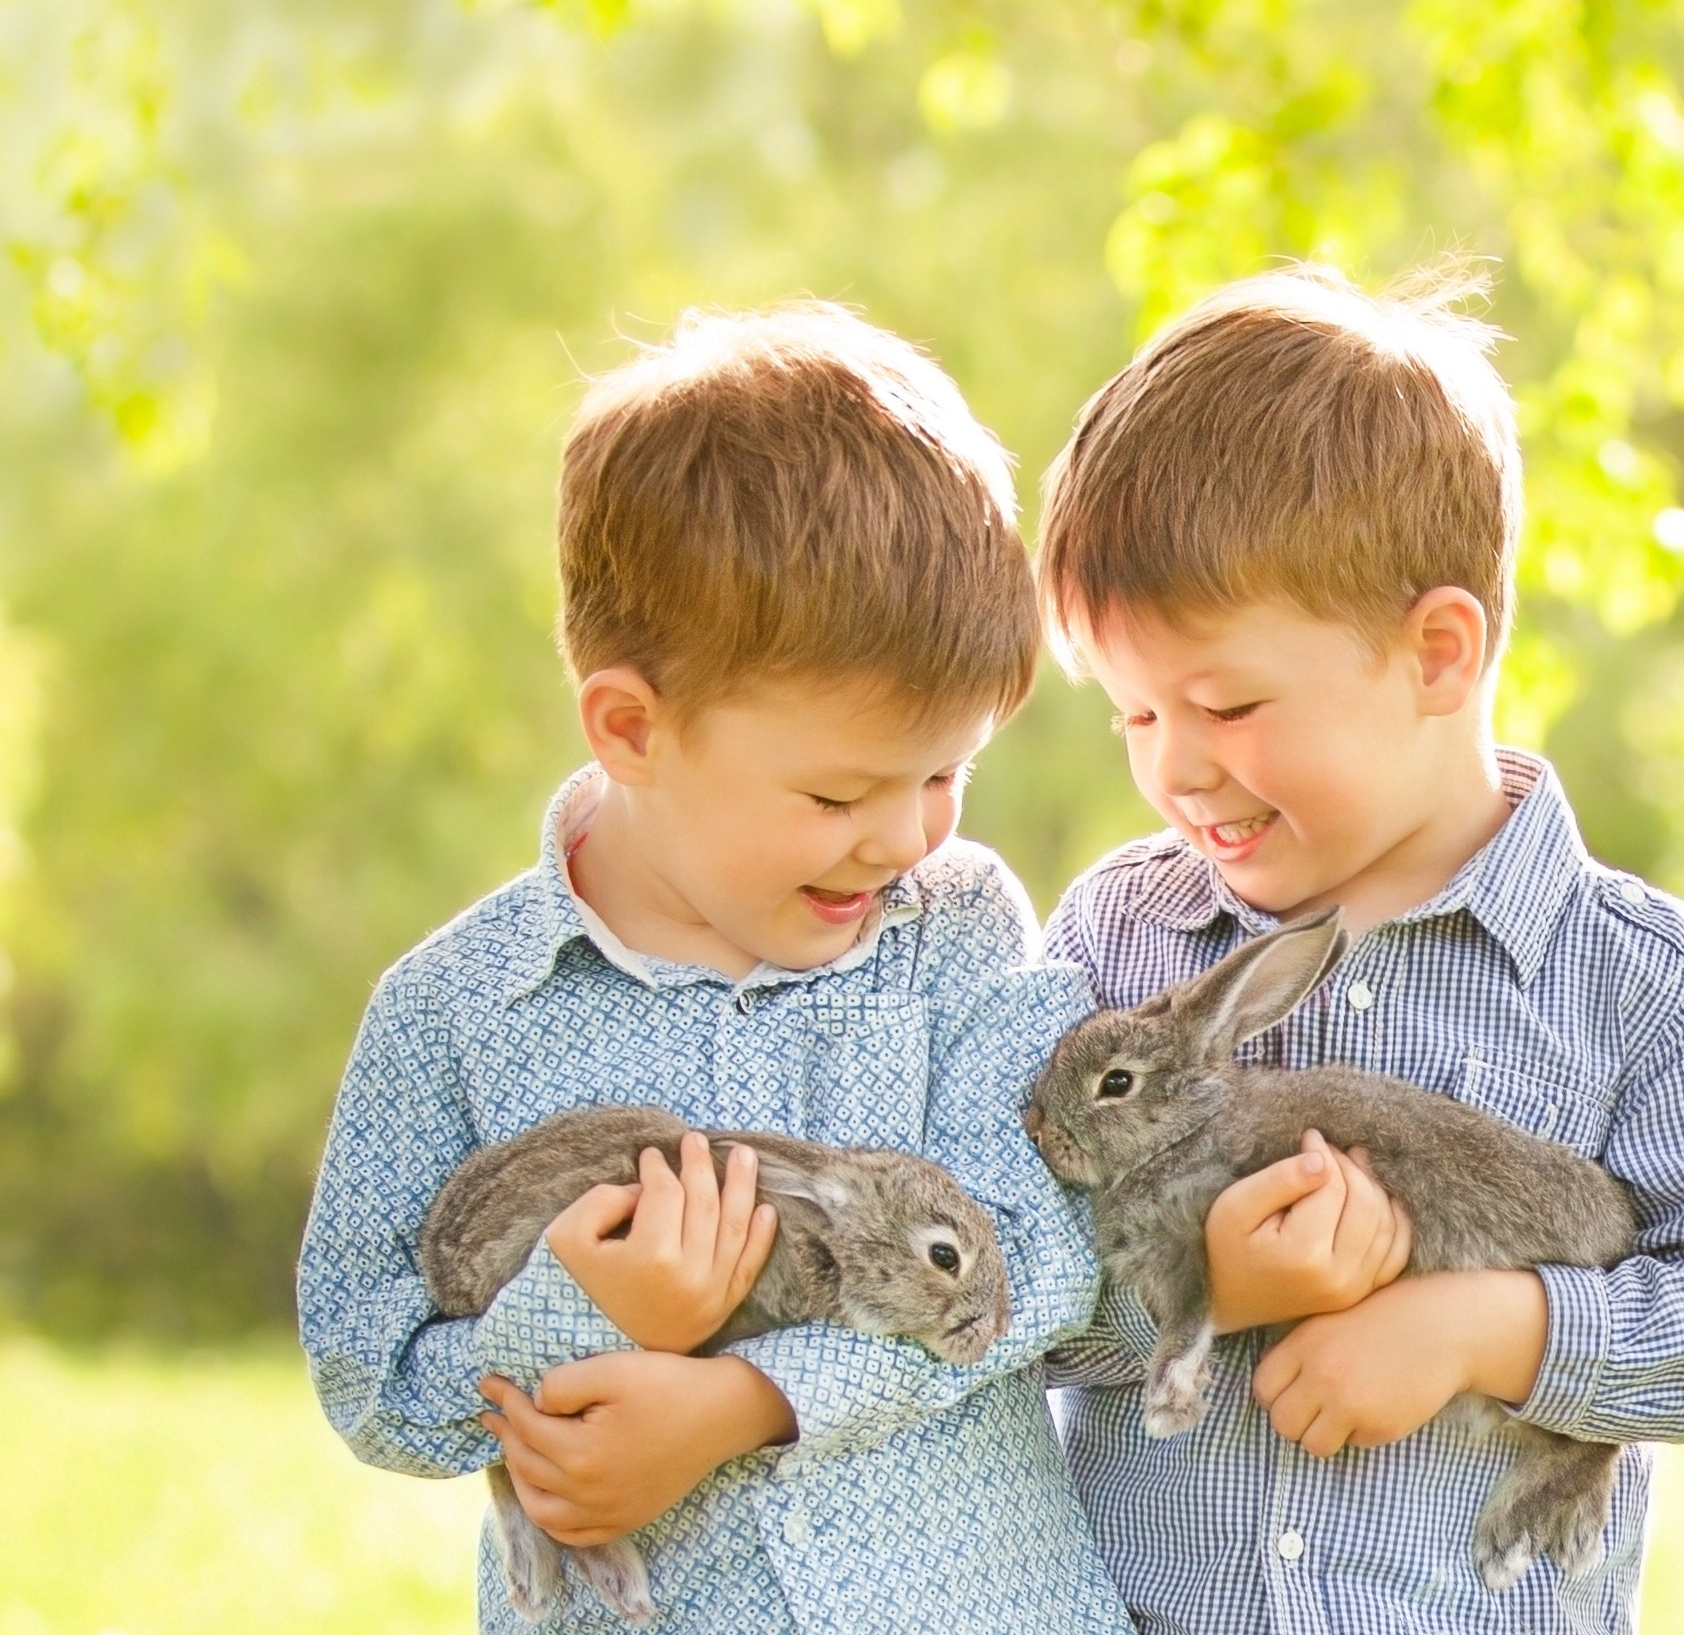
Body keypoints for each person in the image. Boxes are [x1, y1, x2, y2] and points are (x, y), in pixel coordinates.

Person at [297, 302, 1128, 1633]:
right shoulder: (458, 1011)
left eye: (946, 774)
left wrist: (748, 1400)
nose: (908, 834)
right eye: (839, 792)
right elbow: (370, 1370)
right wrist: (583, 1316)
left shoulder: (956, 933)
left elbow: (1046, 1250)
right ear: (633, 728)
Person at [1037, 264, 1684, 1633]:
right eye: (1134, 716)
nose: (1176, 770)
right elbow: (1009, 1293)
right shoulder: (1121, 937)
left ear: (1438, 654)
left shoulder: (1646, 993)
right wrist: (1214, 1281)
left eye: (1223, 703)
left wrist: (1489, 1329)